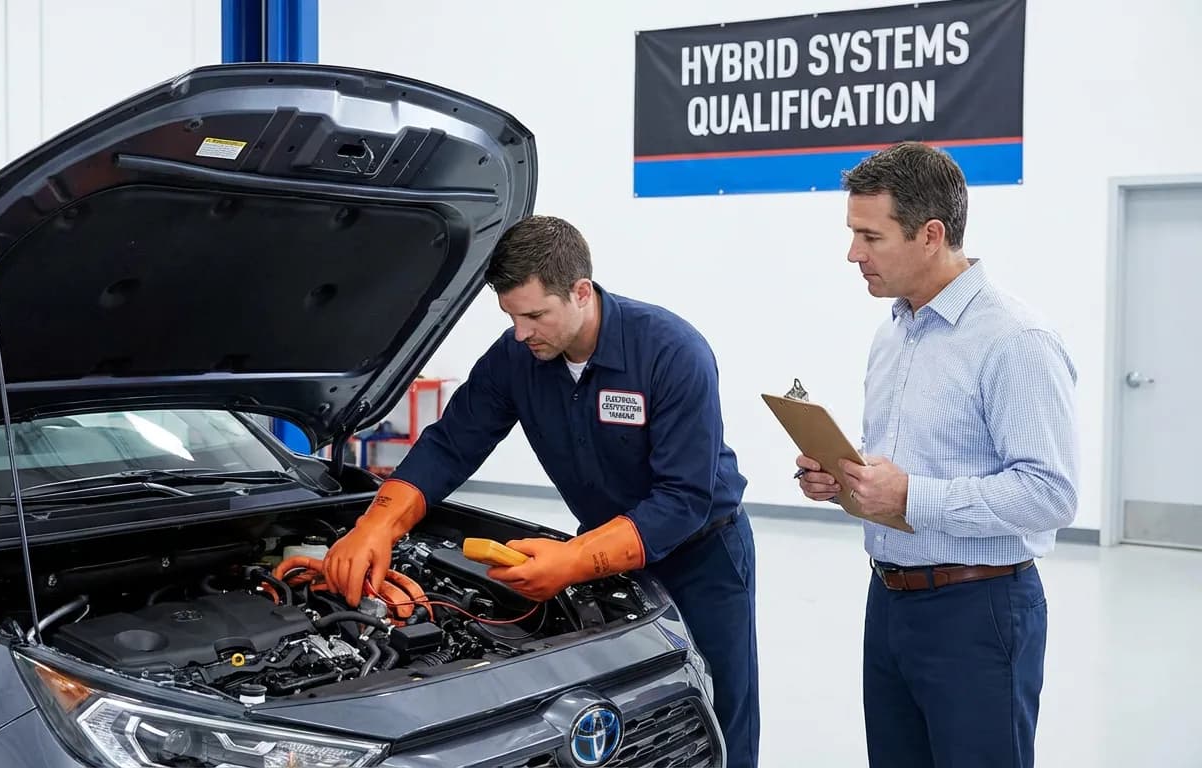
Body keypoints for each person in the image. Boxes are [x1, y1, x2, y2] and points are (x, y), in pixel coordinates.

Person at [322, 215, 760, 767]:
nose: (521, 333)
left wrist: (572, 560)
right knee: (618, 714)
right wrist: (376, 525)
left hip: (703, 556)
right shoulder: (517, 358)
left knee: (719, 701)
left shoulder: (670, 352)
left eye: (534, 316)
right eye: (511, 316)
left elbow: (683, 499)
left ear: (581, 292)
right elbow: (451, 444)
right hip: (603, 546)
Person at [795, 141, 1078, 768]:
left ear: (930, 235)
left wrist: (909, 495)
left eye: (870, 236)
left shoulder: (1016, 340)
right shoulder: (892, 334)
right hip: (889, 602)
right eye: (852, 234)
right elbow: (909, 462)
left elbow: (1051, 494)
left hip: (979, 612)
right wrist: (844, 480)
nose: (853, 254)